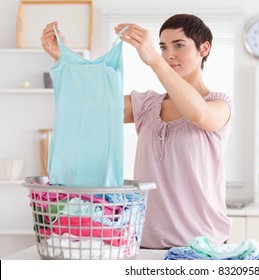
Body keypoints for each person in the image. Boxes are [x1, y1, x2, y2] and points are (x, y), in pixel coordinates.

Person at [41, 14, 234, 249]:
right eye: (162, 47)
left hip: (203, 244)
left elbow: (198, 114)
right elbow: (90, 105)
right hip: (143, 242)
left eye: (179, 45)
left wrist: (154, 60)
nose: (168, 54)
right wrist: (66, 60)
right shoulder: (146, 105)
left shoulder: (220, 105)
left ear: (204, 49)